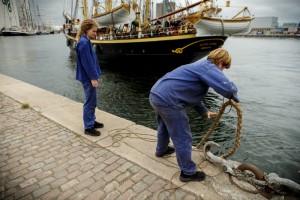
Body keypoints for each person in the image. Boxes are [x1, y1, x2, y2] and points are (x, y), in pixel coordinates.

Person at [149, 48, 239, 182]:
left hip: (156, 95)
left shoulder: (198, 67)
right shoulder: (209, 68)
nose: (222, 70)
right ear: (220, 63)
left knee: (163, 125)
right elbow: (228, 88)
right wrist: (234, 97)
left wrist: (204, 111)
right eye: (224, 67)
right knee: (183, 137)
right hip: (169, 100)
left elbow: (192, 95)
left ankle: (161, 150)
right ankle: (187, 173)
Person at [76, 19, 104, 136]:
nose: (95, 33)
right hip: (88, 77)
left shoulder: (85, 40)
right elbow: (86, 62)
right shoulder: (83, 43)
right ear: (87, 30)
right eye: (93, 31)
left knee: (93, 100)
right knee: (90, 101)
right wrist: (93, 78)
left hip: (89, 76)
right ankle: (88, 127)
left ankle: (91, 120)